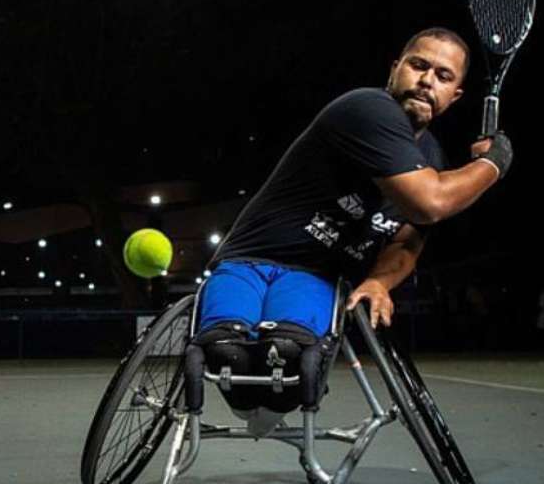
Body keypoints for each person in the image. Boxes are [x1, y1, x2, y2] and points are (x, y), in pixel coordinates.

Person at [199, 27, 512, 341]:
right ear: (395, 69)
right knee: (227, 348)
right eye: (418, 65)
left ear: (454, 95)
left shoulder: (431, 156)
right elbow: (430, 203)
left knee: (292, 356)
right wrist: (493, 163)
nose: (427, 80)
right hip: (255, 259)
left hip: (317, 278)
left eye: (444, 76)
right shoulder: (368, 109)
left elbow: (405, 242)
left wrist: (379, 281)